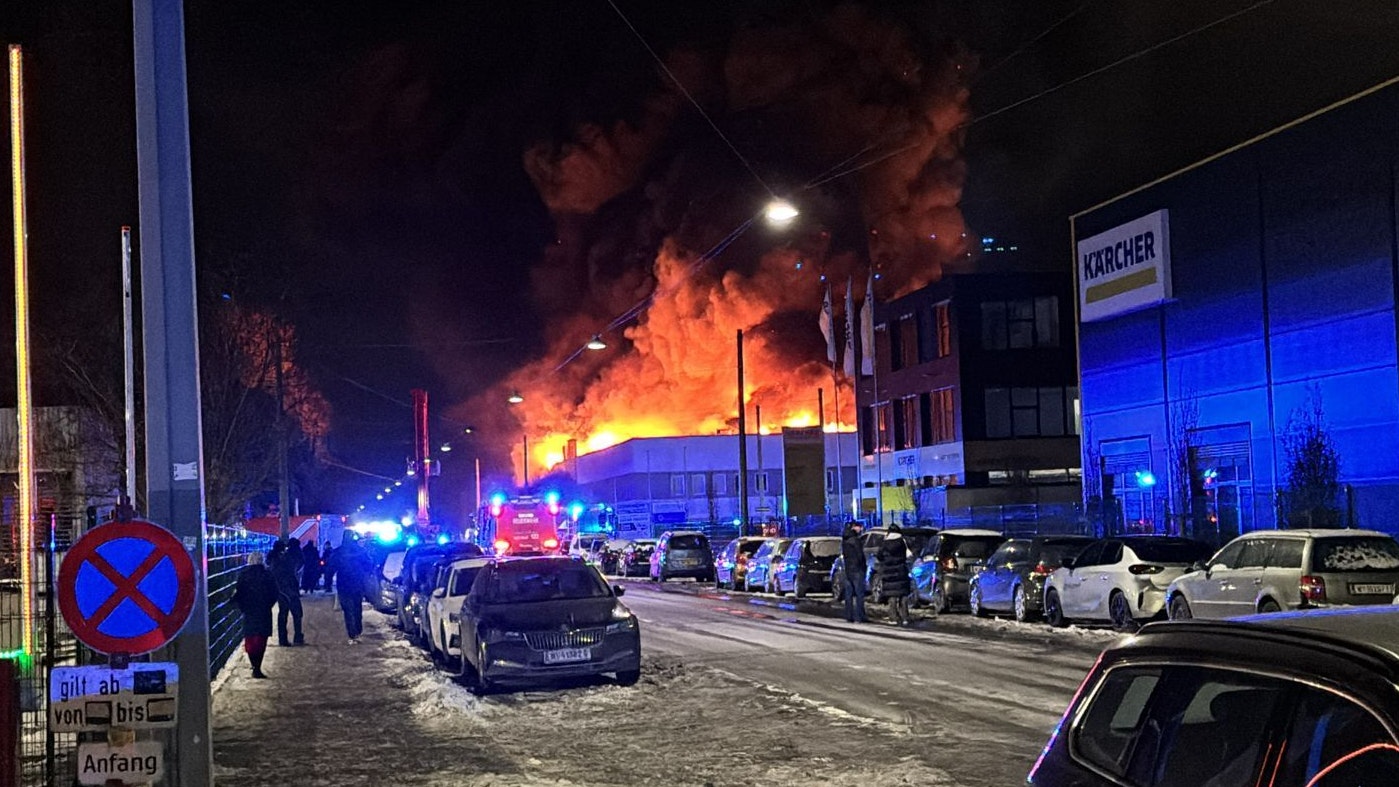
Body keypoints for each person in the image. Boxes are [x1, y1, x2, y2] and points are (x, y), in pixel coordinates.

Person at [232, 552, 279, 679]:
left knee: (250, 638)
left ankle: (253, 664)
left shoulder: (243, 575)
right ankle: (258, 666)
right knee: (261, 638)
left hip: (249, 611)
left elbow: (239, 593)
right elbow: (275, 593)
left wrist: (243, 607)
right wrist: (268, 604)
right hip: (263, 610)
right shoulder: (268, 575)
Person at [331, 532, 373, 644]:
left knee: (348, 610)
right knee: (357, 607)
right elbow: (369, 564)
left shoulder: (338, 552)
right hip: (358, 583)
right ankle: (358, 631)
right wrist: (365, 574)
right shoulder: (360, 551)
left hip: (344, 584)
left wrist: (328, 581)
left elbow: (331, 567)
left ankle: (352, 633)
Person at [270, 538, 305, 645]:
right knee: (297, 613)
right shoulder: (286, 558)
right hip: (290, 589)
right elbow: (293, 570)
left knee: (283, 614)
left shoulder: (272, 560)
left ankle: (283, 639)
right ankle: (298, 637)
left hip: (280, 590)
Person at [877, 523, 913, 627]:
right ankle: (905, 617)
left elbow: (879, 556)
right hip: (901, 571)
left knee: (892, 596)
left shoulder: (884, 543)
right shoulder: (902, 541)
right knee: (903, 595)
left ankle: (893, 618)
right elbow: (909, 554)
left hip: (888, 572)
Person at [840, 522, 868, 623]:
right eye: (859, 527)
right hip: (857, 569)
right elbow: (860, 555)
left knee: (849, 593)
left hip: (848, 569)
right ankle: (860, 616)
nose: (860, 529)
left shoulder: (844, 540)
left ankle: (849, 615)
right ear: (854, 527)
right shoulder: (855, 540)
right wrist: (863, 566)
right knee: (859, 593)